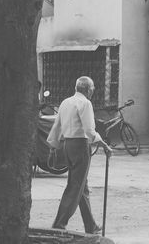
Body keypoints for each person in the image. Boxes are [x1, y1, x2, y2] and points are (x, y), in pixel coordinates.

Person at [47, 76, 112, 234]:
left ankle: (91, 225)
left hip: (68, 145)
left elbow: (57, 126)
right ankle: (59, 224)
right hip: (80, 146)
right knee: (75, 186)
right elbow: (89, 130)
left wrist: (53, 146)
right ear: (88, 90)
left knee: (82, 187)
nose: (93, 91)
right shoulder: (85, 103)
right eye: (93, 89)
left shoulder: (65, 102)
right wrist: (104, 145)